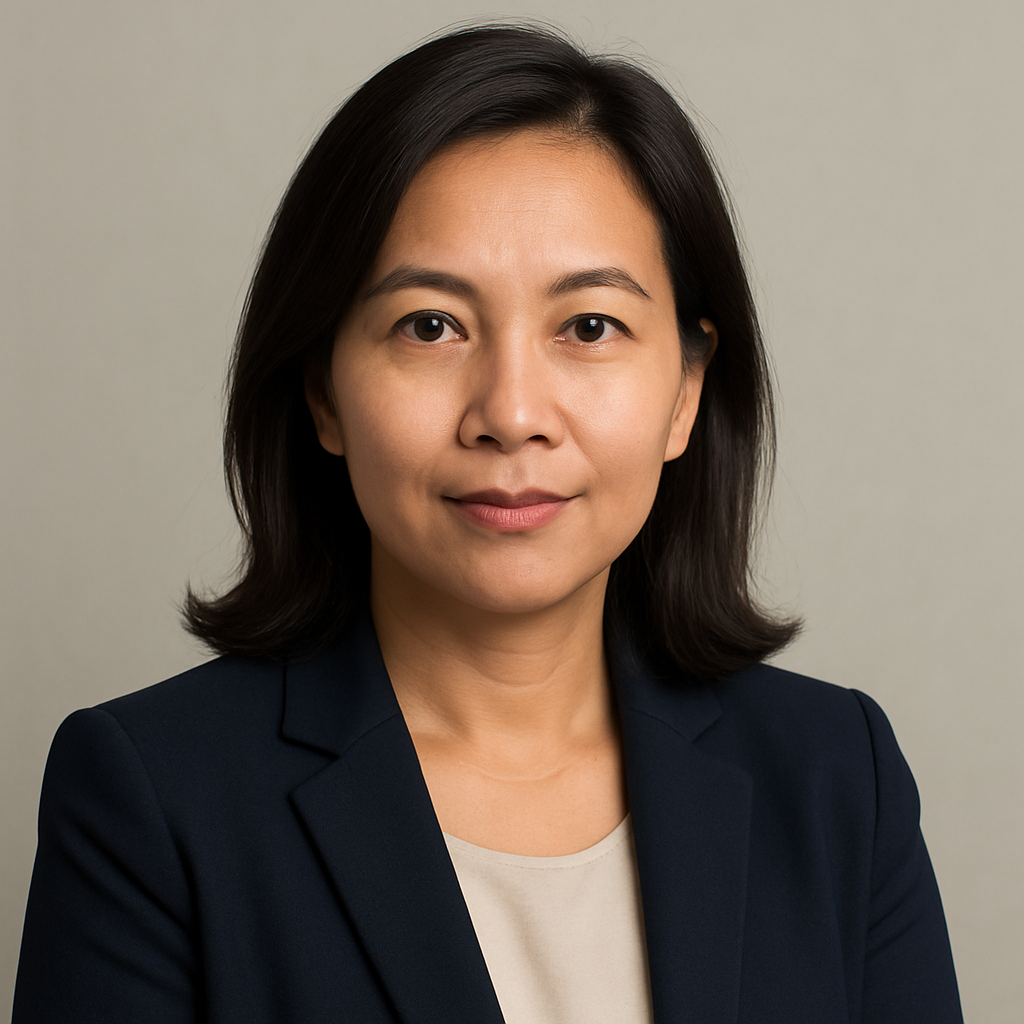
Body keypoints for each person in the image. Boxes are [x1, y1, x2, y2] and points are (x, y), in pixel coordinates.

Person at [13, 22, 963, 1024]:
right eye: (430, 326)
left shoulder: (831, 777)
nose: (510, 412)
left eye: (589, 327)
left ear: (685, 389)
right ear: (324, 393)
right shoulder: (153, 797)